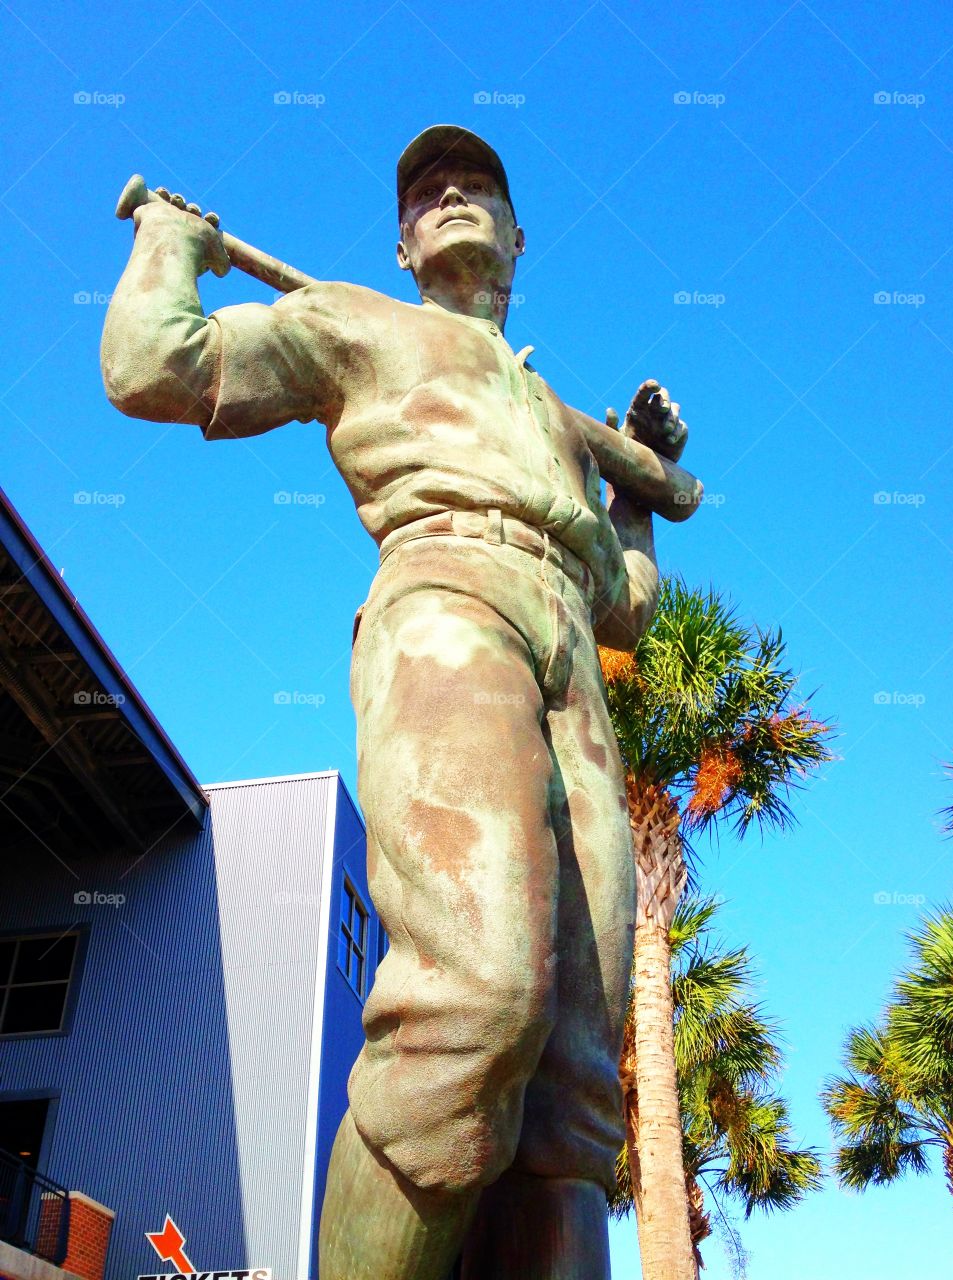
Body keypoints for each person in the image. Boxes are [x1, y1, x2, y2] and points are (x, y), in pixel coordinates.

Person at [101, 124, 700, 1279]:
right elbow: (151, 364)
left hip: (571, 644)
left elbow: (627, 608)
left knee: (572, 1088)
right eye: (426, 192)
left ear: (520, 240)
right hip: (446, 596)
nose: (449, 194)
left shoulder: (555, 419)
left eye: (474, 185)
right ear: (403, 241)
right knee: (475, 998)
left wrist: (632, 497)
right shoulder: (357, 323)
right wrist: (168, 242)